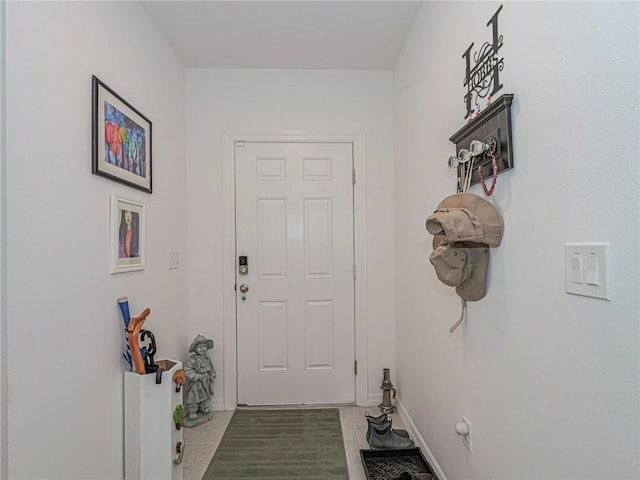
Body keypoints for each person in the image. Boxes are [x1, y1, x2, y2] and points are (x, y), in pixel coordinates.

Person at [184, 335, 216, 423]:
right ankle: (192, 410)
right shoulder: (192, 360)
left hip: (205, 382)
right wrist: (197, 377)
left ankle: (202, 407)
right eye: (200, 347)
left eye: (204, 346)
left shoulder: (207, 358)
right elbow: (187, 371)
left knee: (204, 395)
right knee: (193, 397)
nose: (202, 349)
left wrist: (212, 375)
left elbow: (212, 369)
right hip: (196, 383)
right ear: (195, 349)